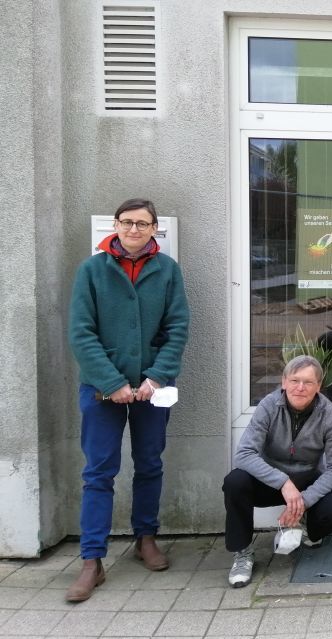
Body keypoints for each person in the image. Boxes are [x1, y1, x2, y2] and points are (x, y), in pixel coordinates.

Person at [66, 198, 190, 602]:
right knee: (99, 472)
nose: (134, 229)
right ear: (115, 226)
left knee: (150, 464)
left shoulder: (167, 270)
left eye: (142, 223)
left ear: (155, 229)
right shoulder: (92, 270)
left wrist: (156, 376)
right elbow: (81, 333)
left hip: (152, 390)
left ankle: (145, 537)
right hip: (102, 391)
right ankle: (92, 561)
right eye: (127, 222)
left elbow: (178, 327)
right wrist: (112, 381)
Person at [222, 355, 332, 588]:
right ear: (284, 382)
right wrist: (283, 482)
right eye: (294, 380)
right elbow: (244, 454)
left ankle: (303, 525)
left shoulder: (328, 413)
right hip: (270, 482)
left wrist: (304, 500)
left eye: (308, 382)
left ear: (319, 386)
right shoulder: (268, 406)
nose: (300, 387)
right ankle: (242, 552)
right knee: (235, 482)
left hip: (307, 482)